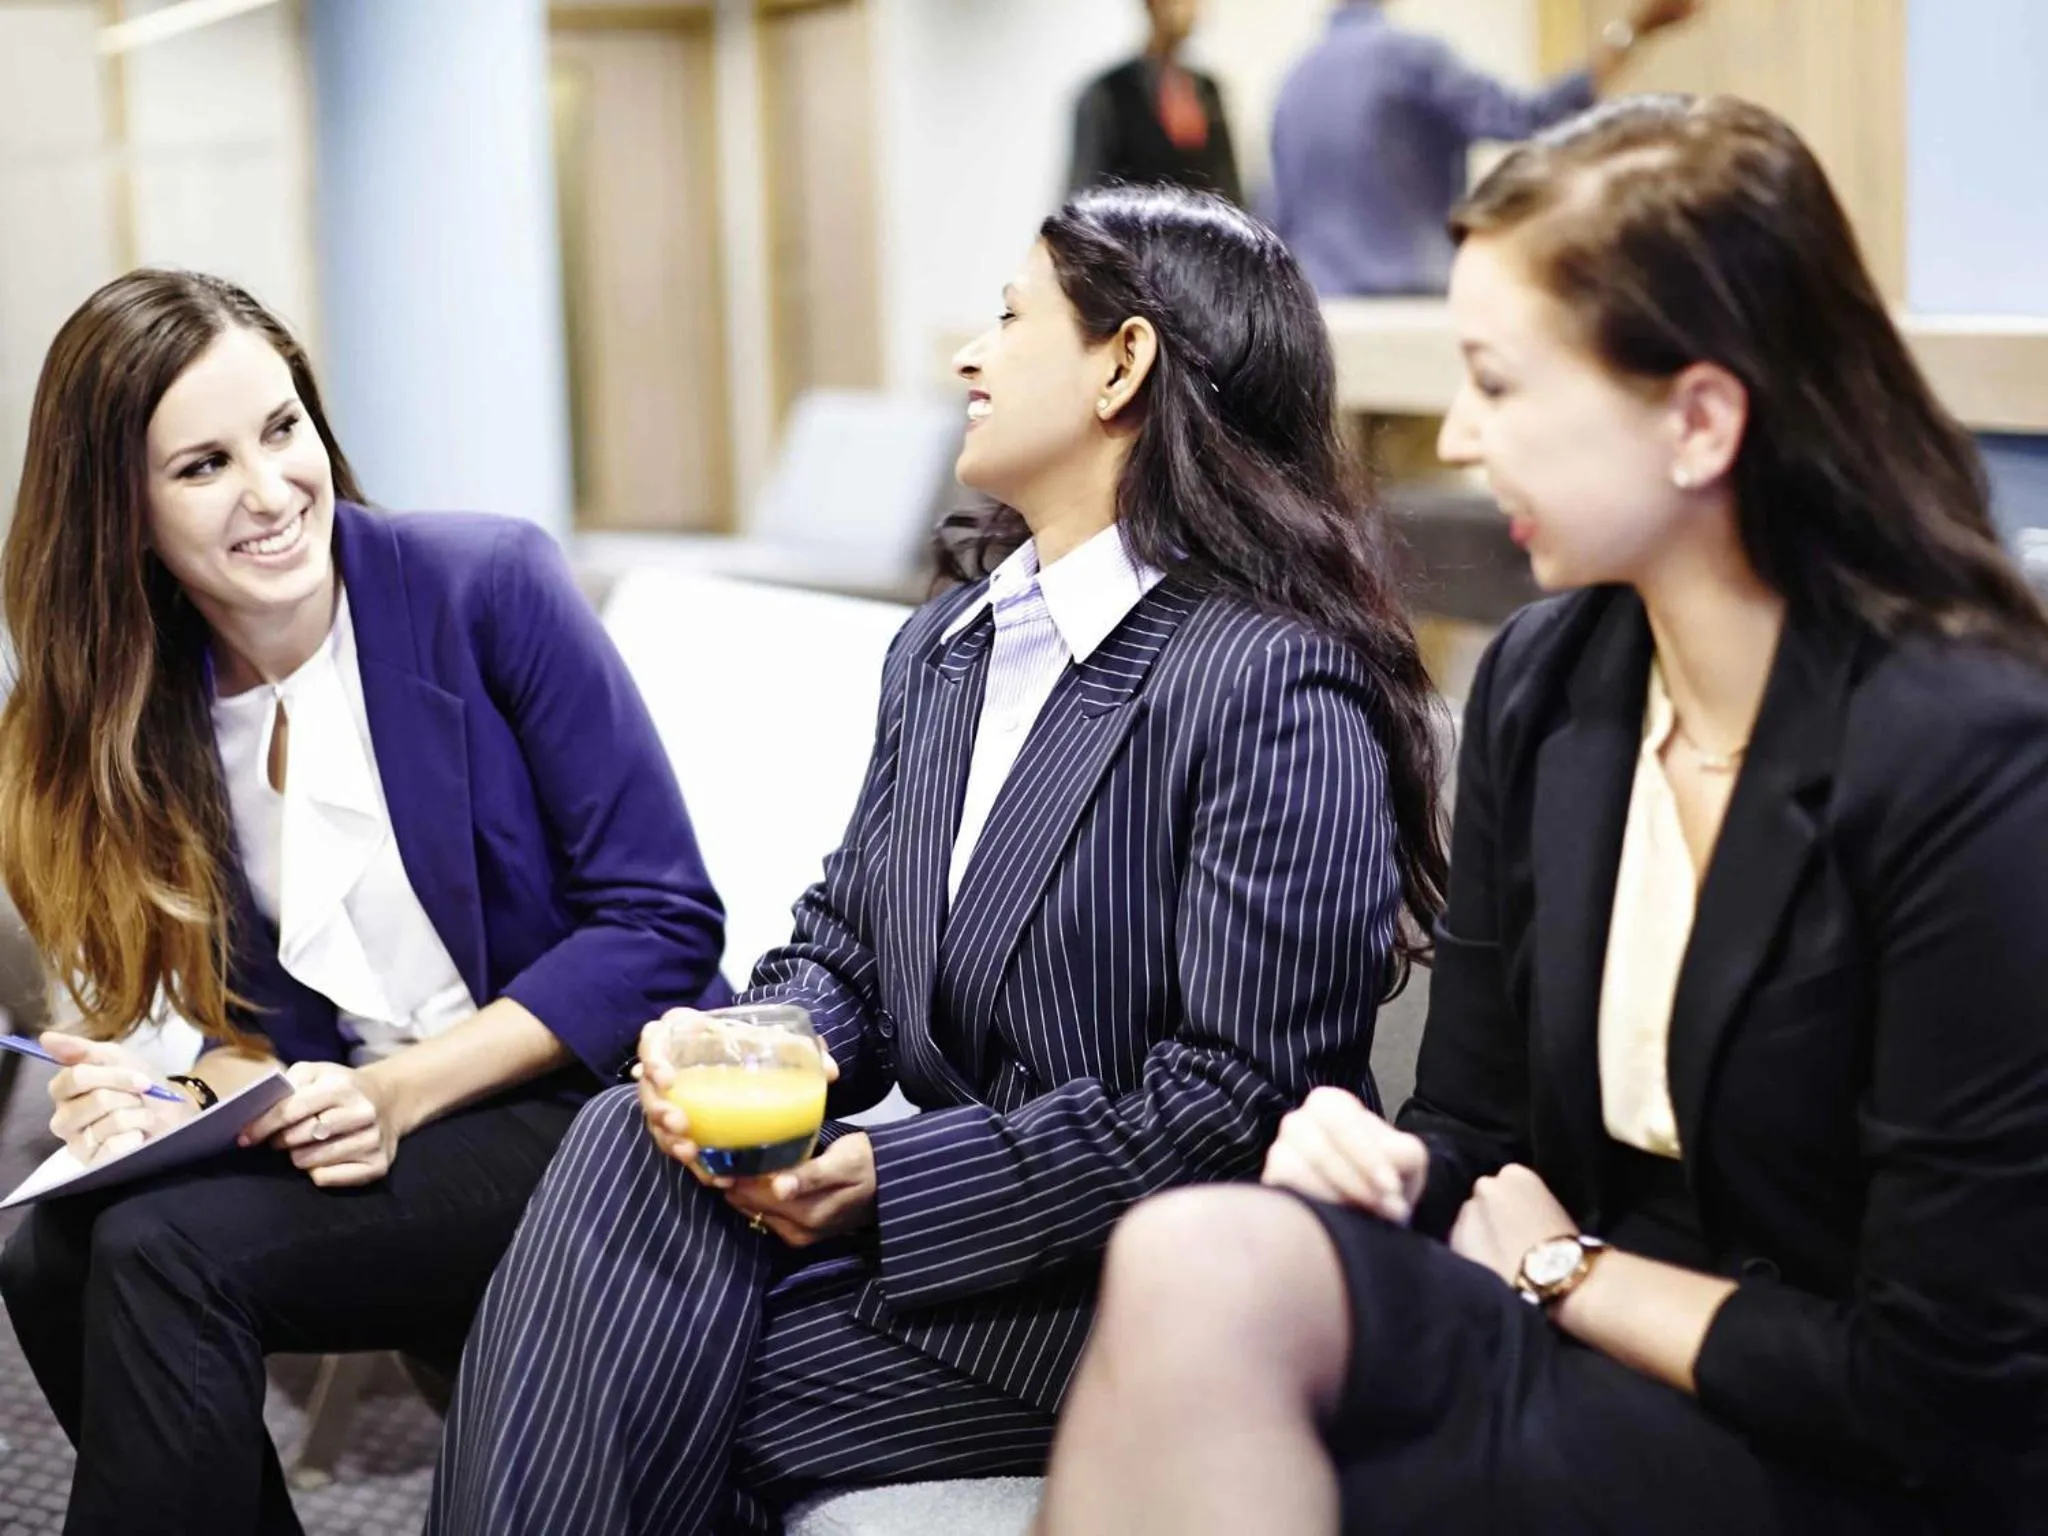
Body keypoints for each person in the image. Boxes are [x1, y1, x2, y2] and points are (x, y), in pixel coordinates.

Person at [1036, 96, 2048, 1536]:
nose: (1457, 436)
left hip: (1847, 1441)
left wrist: (1568, 1272)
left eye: (1498, 385)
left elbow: (1943, 1387)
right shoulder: (1547, 680)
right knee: (1194, 1252)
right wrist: (1379, 1165)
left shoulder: (1967, 750)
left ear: (1698, 419)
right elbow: (1471, 1119)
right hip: (1566, 1334)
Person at [426, 182, 1449, 1535]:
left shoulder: (1268, 683)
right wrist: (748, 1053)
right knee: (625, 1136)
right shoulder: (953, 646)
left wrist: (890, 1182)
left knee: (607, 1372)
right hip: (930, 1260)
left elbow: (1233, 1106)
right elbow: (848, 946)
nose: (970, 356)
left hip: (1106, 1289)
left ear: (1122, 365)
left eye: (1011, 320)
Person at [0, 269, 732, 1536]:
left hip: (598, 1108)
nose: (272, 489)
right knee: (49, 1253)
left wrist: (400, 1094)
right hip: (369, 1122)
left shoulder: (485, 584)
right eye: (204, 466)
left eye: (281, 429)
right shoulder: (147, 720)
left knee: (163, 1259)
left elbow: (662, 925)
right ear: (122, 513)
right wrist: (171, 1100)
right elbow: (251, 1030)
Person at [1269, 0, 1698, 295]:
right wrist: (1634, 31)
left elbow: (1276, 213)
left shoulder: (1294, 78)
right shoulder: (1409, 57)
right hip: (1410, 306)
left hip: (1325, 312)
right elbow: (1528, 119)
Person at [1067, 0, 1243, 205]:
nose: (1190, 11)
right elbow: (1085, 189)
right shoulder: (1109, 92)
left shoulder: (1207, 90)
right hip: (1132, 221)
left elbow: (1228, 184)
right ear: (1152, 6)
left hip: (1201, 222)